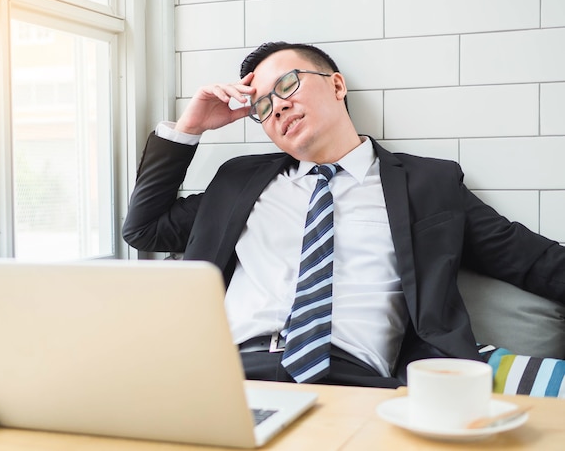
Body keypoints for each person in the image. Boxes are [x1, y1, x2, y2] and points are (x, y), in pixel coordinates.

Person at [123, 41, 565, 388]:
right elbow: (144, 229)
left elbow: (535, 262)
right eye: (260, 106)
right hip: (228, 374)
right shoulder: (237, 183)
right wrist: (189, 128)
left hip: (354, 379)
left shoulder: (428, 185)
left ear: (336, 86)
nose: (276, 107)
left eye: (288, 85)